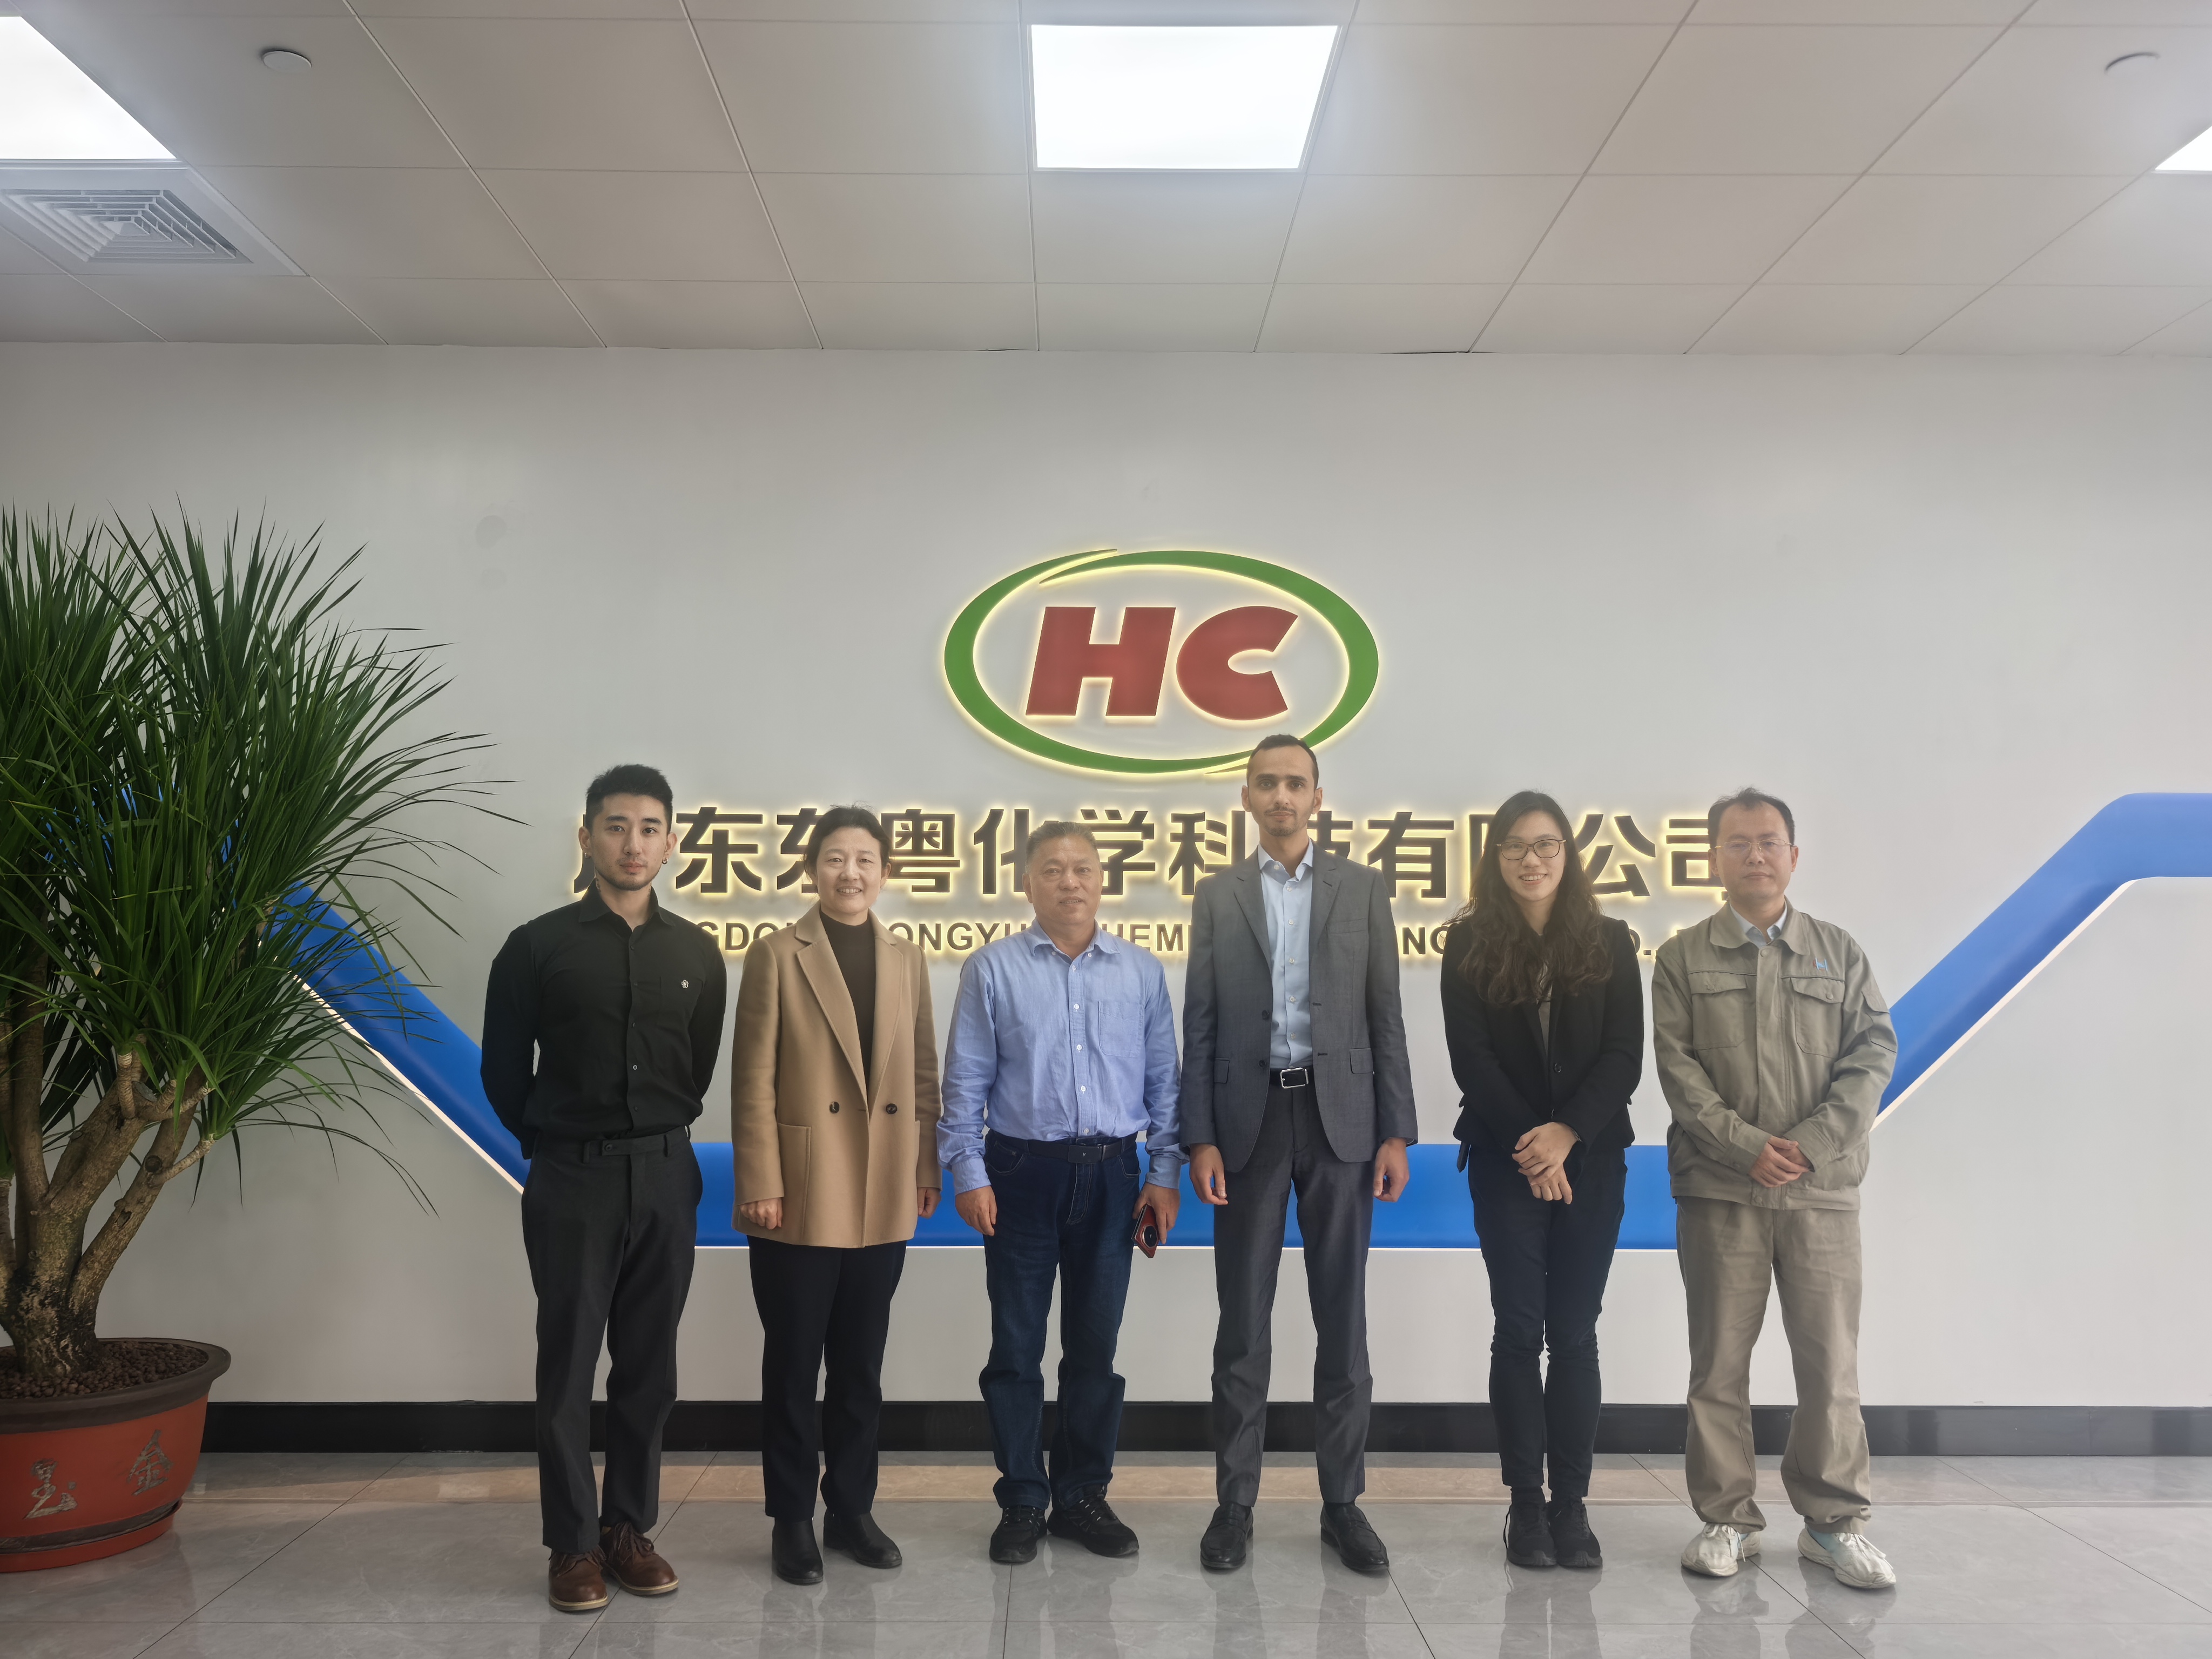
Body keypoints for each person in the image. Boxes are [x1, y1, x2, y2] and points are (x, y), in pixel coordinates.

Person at [481, 765, 726, 1614]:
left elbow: (696, 1066)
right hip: (572, 1176)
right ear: (586, 837)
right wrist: (555, 1147)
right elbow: (503, 1073)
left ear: (671, 843)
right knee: (568, 1367)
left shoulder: (696, 953)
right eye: (617, 827)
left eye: (650, 828)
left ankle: (627, 1531)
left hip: (666, 1173)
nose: (633, 843)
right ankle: (572, 1545)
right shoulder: (536, 946)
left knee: (650, 1369)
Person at [1181, 733, 1417, 1575]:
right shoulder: (1218, 895)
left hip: (1341, 1122)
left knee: (1342, 1319)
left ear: (1318, 796)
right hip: (1247, 1124)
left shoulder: (1362, 888)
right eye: (1266, 783)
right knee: (1242, 1323)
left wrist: (1397, 1131)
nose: (1281, 796)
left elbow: (1385, 1014)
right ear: (1246, 796)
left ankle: (1342, 1504)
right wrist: (1199, 1136)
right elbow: (1200, 1022)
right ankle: (1234, 1505)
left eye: (1295, 783)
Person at [1654, 787, 1899, 1590]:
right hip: (1721, 1193)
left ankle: (1833, 1524)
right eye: (1738, 843)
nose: (1754, 855)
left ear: (1793, 856)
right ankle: (1727, 1520)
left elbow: (1872, 1057)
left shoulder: (1839, 952)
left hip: (1820, 1195)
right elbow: (1680, 1075)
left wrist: (1810, 1147)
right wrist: (1749, 1149)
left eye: (1768, 842)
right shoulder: (1683, 959)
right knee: (1718, 1365)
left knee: (1830, 1365)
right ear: (1714, 858)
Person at [939, 821, 1184, 1566]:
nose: (1069, 882)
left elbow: (1165, 1085)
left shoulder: (1140, 972)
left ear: (1102, 879)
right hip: (1020, 1174)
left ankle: (1081, 1496)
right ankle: (1022, 1498)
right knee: (1016, 1348)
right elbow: (965, 1082)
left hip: (1115, 1175)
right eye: (1052, 870)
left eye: (1082, 868)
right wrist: (969, 1173)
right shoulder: (992, 969)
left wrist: (1163, 1175)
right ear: (1028, 883)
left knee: (1094, 1349)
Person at [729, 806, 942, 1586]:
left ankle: (851, 1509)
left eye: (864, 860)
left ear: (885, 871)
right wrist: (761, 1179)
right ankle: (791, 1518)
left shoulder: (907, 958)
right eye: (834, 859)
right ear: (812, 868)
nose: (850, 873)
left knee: (861, 1367)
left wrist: (925, 1166)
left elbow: (923, 1071)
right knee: (793, 1366)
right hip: (801, 1189)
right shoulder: (776, 954)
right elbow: (752, 1077)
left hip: (883, 1187)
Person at [1440, 790, 1642, 1572]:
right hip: (1505, 1160)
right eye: (1516, 846)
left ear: (1568, 854)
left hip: (1594, 1160)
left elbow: (1624, 1056)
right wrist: (1534, 1145)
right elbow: (1472, 1059)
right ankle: (1526, 1504)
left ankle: (1573, 1507)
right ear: (1495, 858)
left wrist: (1568, 1135)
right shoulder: (1468, 943)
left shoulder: (1611, 941)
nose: (1532, 859)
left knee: (1577, 1333)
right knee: (1520, 1330)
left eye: (1547, 844)